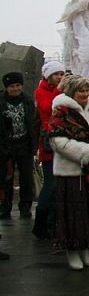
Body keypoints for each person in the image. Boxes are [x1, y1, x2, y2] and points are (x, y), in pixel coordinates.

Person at [49, 75, 89, 270]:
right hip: (70, 171)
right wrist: (87, 152)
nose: (85, 94)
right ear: (72, 93)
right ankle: (72, 252)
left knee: (88, 210)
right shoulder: (61, 112)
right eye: (81, 91)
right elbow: (57, 141)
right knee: (72, 213)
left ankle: (85, 249)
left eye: (87, 91)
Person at [33, 60, 65, 240]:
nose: (59, 77)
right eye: (56, 74)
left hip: (62, 140)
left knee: (59, 185)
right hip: (49, 143)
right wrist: (60, 91)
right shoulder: (41, 91)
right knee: (50, 184)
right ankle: (40, 223)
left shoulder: (57, 90)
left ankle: (53, 221)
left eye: (61, 74)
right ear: (48, 76)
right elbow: (48, 108)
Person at [1, 72, 39, 220]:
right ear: (7, 88)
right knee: (6, 178)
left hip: (24, 144)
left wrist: (33, 144)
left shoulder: (28, 101)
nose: (15, 89)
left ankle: (25, 207)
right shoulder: (1, 101)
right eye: (12, 86)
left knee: (26, 178)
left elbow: (32, 123)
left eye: (18, 85)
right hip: (6, 146)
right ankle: (5, 207)